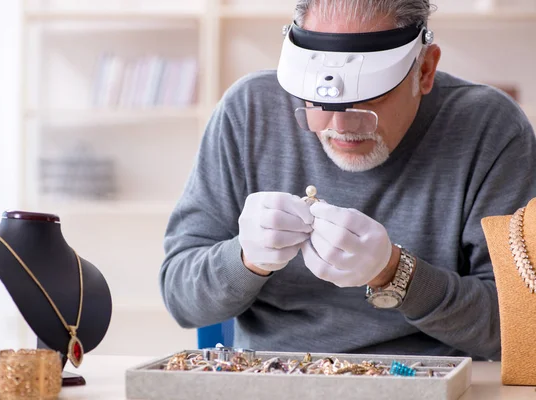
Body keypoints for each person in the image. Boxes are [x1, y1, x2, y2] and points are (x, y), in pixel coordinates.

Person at [159, 0, 536, 360]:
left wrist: (395, 273)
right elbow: (180, 299)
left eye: (367, 102)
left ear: (424, 71)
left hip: (432, 384)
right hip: (272, 378)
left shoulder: (490, 129)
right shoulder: (248, 110)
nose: (340, 126)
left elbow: (522, 333)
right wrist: (245, 258)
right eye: (319, 104)